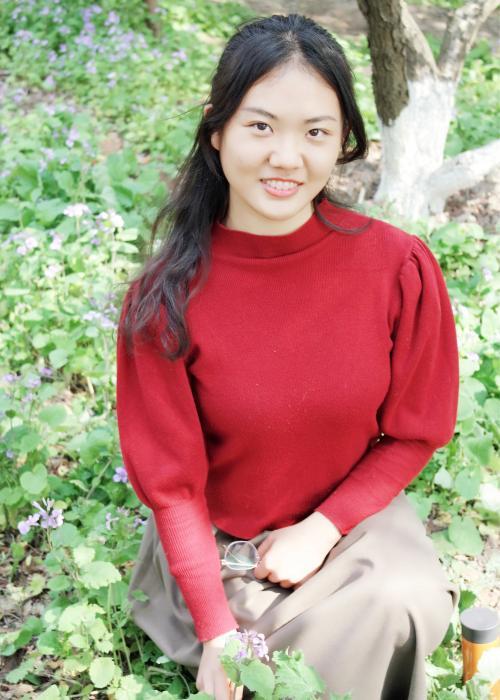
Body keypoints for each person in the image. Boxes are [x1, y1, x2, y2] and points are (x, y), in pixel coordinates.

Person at [115, 13, 460, 700]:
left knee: (399, 601)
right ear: (217, 130)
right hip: (231, 547)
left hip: (354, 522)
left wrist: (321, 530)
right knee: (258, 653)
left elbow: (416, 432)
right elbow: (174, 489)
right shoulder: (166, 298)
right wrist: (217, 632)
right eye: (261, 126)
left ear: (344, 142)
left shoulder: (396, 266)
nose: (287, 158)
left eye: (316, 133)